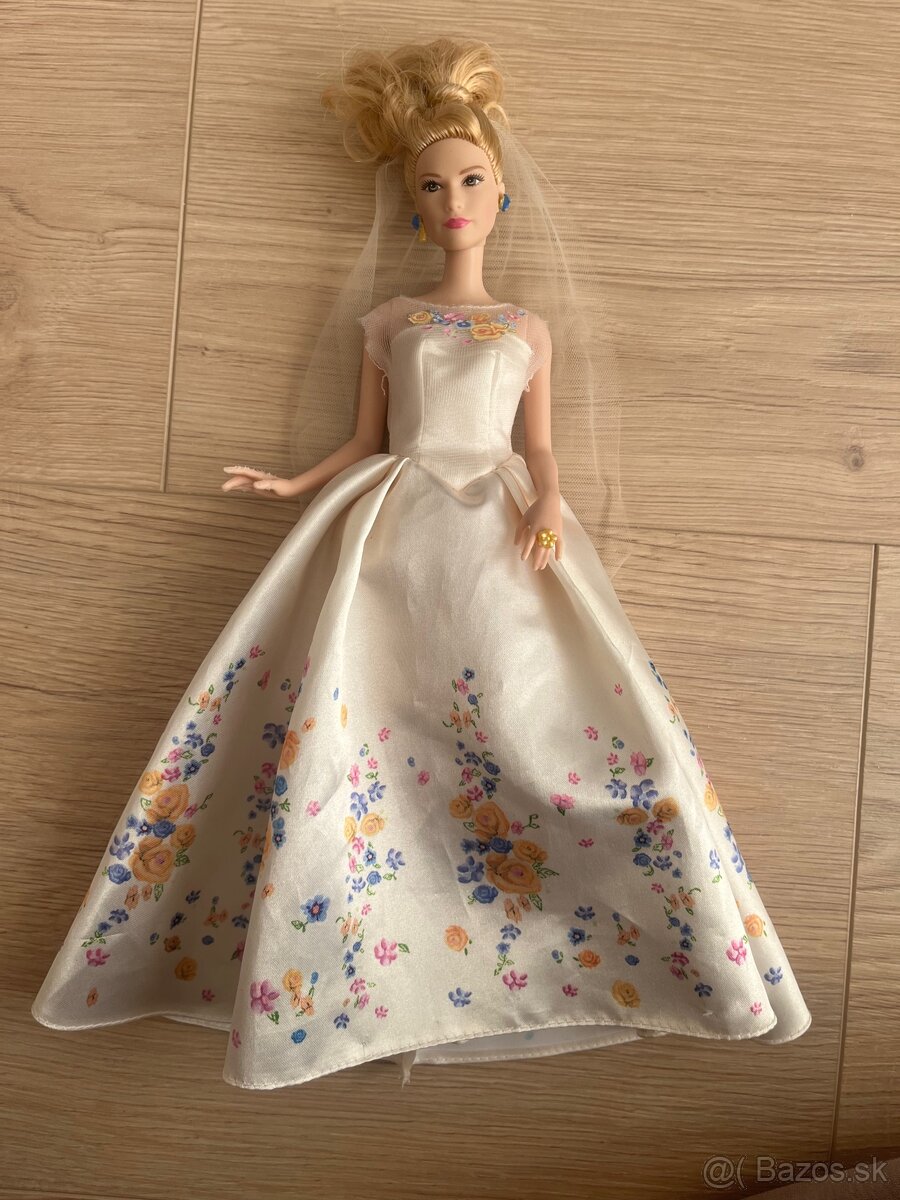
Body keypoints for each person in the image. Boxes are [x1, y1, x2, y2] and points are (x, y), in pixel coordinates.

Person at [31, 36, 811, 1091]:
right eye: (433, 186)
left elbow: (540, 448)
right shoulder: (390, 320)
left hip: (501, 526)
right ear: (412, 204)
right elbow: (366, 439)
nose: (453, 201)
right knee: (358, 715)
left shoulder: (524, 327)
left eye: (472, 181)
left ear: (502, 194)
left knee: (544, 722)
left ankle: (576, 939)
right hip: (390, 525)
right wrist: (293, 486)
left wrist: (549, 502)